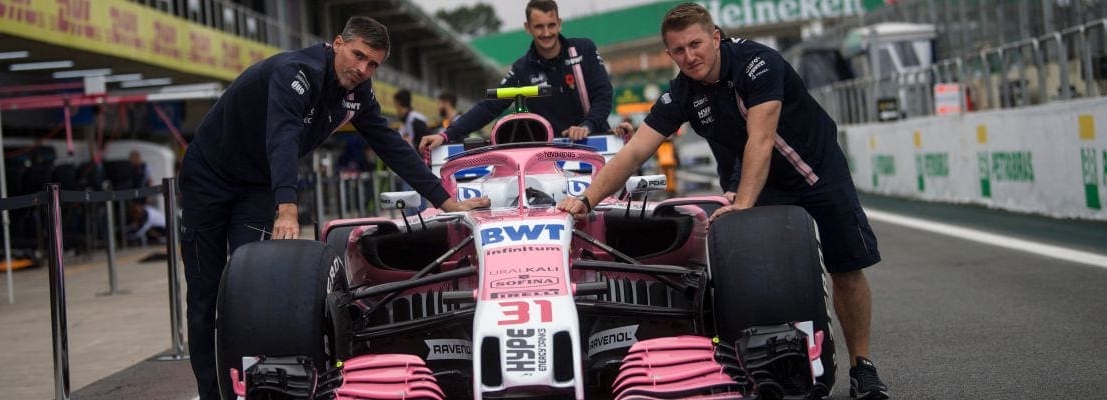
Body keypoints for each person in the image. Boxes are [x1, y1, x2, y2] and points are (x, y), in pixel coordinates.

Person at [556, 4, 889, 399]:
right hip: (762, 182)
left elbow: (761, 140)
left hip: (817, 172)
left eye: (696, 44)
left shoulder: (759, 62)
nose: (689, 56)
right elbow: (633, 153)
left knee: (846, 268)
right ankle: (782, 364)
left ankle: (862, 367)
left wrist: (743, 202)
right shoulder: (681, 91)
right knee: (764, 276)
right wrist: (587, 199)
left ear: (716, 37)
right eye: (678, 50)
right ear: (669, 54)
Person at [179, 16, 487, 399]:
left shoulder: (357, 93)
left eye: (372, 63)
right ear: (337, 43)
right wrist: (287, 208)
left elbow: (390, 145)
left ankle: (252, 389)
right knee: (204, 295)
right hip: (208, 178)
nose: (362, 69)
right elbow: (282, 139)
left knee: (247, 293)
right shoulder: (298, 72)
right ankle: (210, 393)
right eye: (357, 56)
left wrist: (445, 200)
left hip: (256, 186)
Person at [418, 0, 613, 155]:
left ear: (559, 24)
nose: (546, 33)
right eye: (539, 27)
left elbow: (603, 94)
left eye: (551, 25)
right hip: (551, 155)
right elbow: (489, 106)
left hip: (595, 145)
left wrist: (587, 125)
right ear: (528, 27)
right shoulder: (522, 68)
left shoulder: (583, 49)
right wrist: (446, 135)